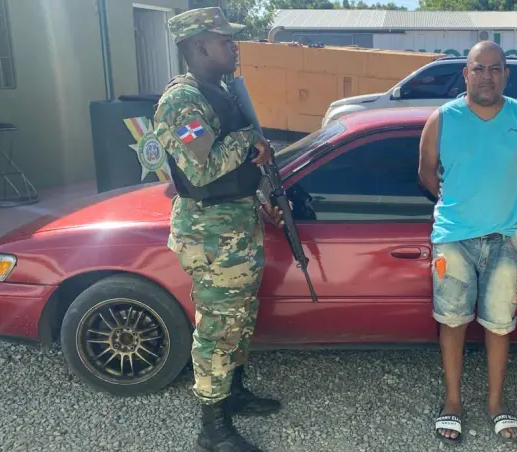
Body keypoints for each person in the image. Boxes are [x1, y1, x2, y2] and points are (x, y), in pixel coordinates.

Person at [154, 7, 284, 452]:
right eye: (224, 40)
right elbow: (203, 167)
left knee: (238, 319)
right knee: (217, 328)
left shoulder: (219, 91)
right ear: (198, 47)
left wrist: (261, 193)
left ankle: (233, 394)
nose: (233, 47)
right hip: (210, 233)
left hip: (235, 225)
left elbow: (236, 167)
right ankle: (212, 429)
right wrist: (250, 139)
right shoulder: (182, 101)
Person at [418, 40, 517, 445]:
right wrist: (461, 204)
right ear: (466, 74)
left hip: (504, 239)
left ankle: (495, 403)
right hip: (452, 240)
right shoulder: (442, 119)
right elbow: (426, 174)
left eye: (495, 69)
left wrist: (505, 204)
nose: (486, 76)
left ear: (506, 74)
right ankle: (452, 401)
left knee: (499, 325)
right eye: (479, 68)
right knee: (452, 321)